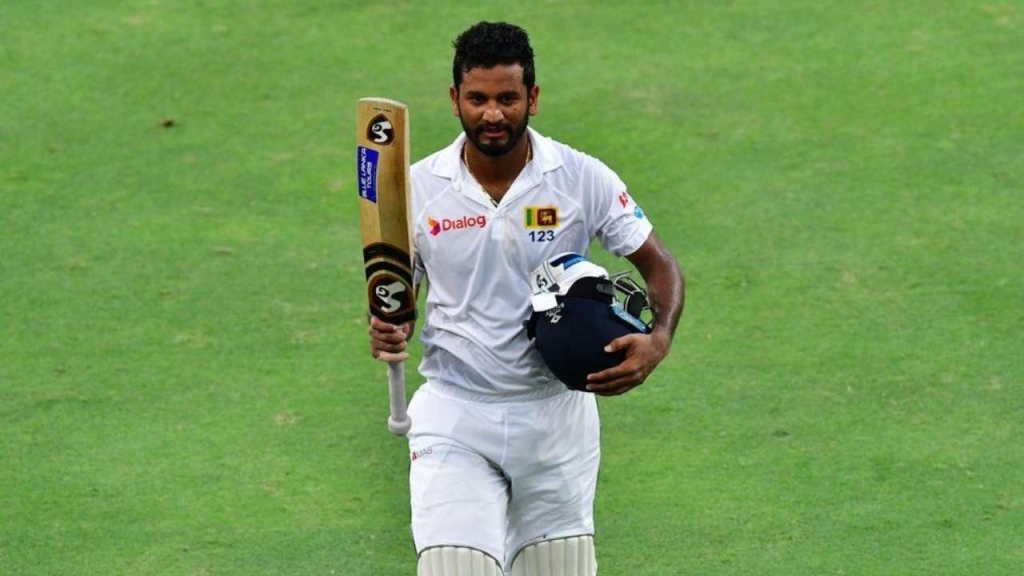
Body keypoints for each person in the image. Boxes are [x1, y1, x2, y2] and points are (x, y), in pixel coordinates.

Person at [368, 21, 684, 576]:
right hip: (455, 413)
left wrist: (658, 341)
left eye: (508, 99)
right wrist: (392, 327)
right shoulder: (416, 189)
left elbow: (659, 265)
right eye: (478, 99)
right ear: (454, 99)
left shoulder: (580, 178)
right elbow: (400, 297)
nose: (492, 114)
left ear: (532, 98)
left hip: (556, 420)